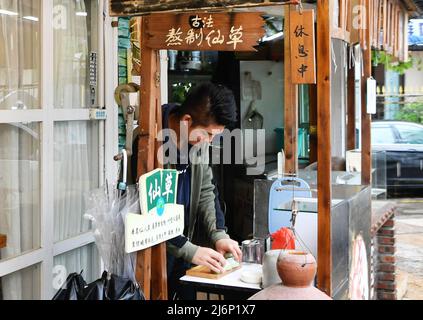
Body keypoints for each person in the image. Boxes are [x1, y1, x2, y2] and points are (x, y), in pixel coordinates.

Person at [132, 83, 242, 300]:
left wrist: (218, 234)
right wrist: (191, 250)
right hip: (152, 252)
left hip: (183, 244)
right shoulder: (150, 139)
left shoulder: (196, 141)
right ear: (187, 121)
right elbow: (152, 210)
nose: (209, 142)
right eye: (208, 135)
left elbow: (206, 191)